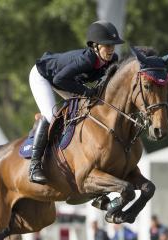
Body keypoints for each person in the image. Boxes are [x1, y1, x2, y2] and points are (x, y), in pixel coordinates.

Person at [28, 20, 125, 184]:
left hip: (65, 80)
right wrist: (86, 91)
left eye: (113, 45)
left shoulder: (112, 59)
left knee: (86, 110)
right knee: (51, 116)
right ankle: (34, 166)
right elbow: (59, 80)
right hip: (43, 76)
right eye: (107, 46)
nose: (111, 50)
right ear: (95, 46)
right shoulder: (86, 60)